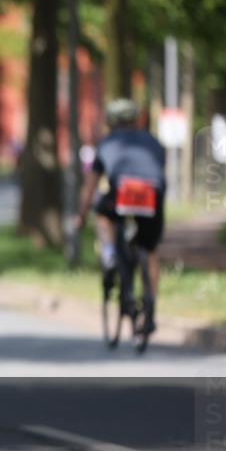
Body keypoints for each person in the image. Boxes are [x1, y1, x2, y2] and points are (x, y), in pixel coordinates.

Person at [75, 98, 166, 333]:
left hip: (123, 191)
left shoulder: (106, 144)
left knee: (102, 212)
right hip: (152, 193)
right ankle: (151, 306)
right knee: (151, 250)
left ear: (111, 121)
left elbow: (90, 187)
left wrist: (81, 215)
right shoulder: (153, 142)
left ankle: (109, 253)